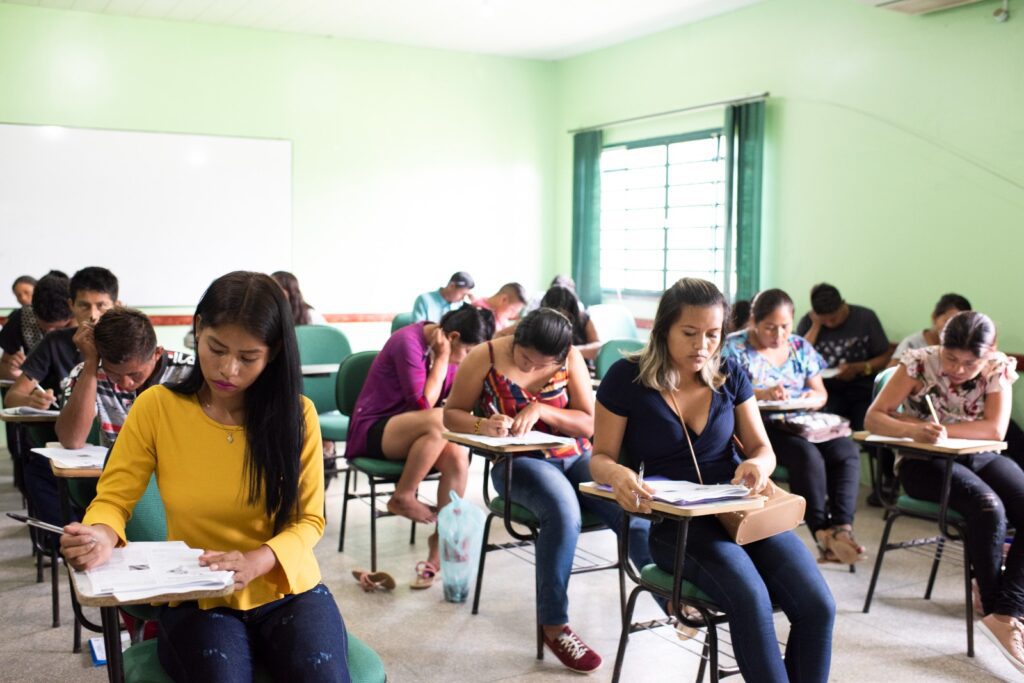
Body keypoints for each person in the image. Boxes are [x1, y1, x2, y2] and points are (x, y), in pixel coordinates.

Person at [59, 271, 350, 682]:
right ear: (197, 330)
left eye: (248, 357)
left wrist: (258, 560)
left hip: (287, 589)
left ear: (274, 353)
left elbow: (309, 520)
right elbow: (114, 498)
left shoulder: (297, 415)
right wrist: (101, 535)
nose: (228, 369)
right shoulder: (157, 407)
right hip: (197, 593)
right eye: (216, 349)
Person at [590, 278, 835, 683]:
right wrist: (618, 473)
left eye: (712, 334)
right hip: (678, 527)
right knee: (750, 599)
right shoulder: (626, 378)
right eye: (689, 333)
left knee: (818, 607)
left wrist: (758, 466)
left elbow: (763, 448)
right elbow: (600, 458)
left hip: (740, 513)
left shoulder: (730, 374)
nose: (702, 345)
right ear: (663, 328)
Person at [443, 308, 652, 674]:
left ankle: (672, 598)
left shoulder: (570, 358)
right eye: (524, 358)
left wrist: (542, 410)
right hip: (518, 463)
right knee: (563, 512)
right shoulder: (485, 356)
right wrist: (483, 424)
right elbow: (451, 414)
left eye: (542, 364)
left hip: (575, 456)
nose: (530, 367)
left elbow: (587, 423)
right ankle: (554, 626)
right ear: (516, 339)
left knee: (629, 506)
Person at [864, 311, 1023, 671]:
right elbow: (874, 417)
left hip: (978, 455)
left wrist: (941, 429)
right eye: (951, 358)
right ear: (939, 345)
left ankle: (1008, 612)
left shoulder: (997, 368)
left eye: (970, 363)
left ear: (990, 352)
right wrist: (913, 430)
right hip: (922, 461)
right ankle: (1000, 612)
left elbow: (994, 430)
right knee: (988, 507)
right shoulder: (919, 363)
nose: (959, 370)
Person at [346, 306, 495, 588]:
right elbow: (423, 404)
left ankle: (439, 547)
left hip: (421, 435)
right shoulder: (408, 342)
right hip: (374, 430)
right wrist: (442, 358)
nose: (465, 359)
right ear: (452, 337)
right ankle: (403, 495)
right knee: (440, 419)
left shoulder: (452, 353)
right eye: (466, 351)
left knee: (457, 457)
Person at [722, 288, 864, 564]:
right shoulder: (734, 348)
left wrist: (811, 398)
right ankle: (822, 532)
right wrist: (761, 393)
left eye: (785, 327)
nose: (778, 335)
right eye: (769, 327)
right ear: (754, 321)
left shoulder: (799, 347)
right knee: (806, 456)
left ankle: (842, 528)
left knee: (847, 451)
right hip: (761, 427)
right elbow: (724, 394)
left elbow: (821, 393)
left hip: (803, 423)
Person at [56, 307, 194, 449]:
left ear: (157, 353)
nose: (125, 383)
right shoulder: (89, 371)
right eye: (114, 374)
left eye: (135, 374)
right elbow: (71, 441)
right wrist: (91, 363)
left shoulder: (190, 371)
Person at [5, 267, 119, 409]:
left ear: (116, 305)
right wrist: (31, 401)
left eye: (101, 306)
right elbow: (12, 397)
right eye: (84, 306)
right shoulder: (54, 342)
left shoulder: (129, 341)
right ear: (71, 305)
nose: (93, 315)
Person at [795, 282, 891, 430]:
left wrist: (859, 368)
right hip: (827, 391)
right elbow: (799, 356)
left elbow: (885, 357)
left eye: (833, 318)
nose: (830, 323)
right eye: (824, 320)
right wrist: (816, 325)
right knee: (821, 428)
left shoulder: (865, 318)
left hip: (861, 388)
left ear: (843, 304)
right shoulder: (809, 322)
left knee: (867, 424)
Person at [0, 273, 73, 381]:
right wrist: (13, 372)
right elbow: (3, 370)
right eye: (45, 328)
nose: (50, 335)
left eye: (58, 329)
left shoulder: (85, 325)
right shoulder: (21, 319)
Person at [496, 285, 601, 360]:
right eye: (555, 315)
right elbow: (500, 335)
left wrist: (569, 352)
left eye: (565, 316)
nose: (560, 321)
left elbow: (598, 347)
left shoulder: (584, 319)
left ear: (573, 313)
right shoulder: (535, 321)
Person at [889, 293, 972, 366]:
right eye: (947, 321)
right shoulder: (912, 344)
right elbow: (890, 374)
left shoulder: (962, 347)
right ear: (934, 317)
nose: (953, 328)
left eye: (960, 325)